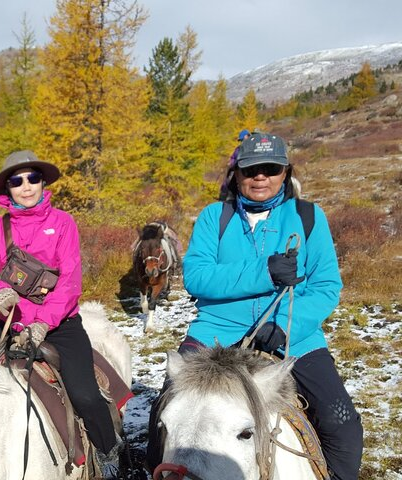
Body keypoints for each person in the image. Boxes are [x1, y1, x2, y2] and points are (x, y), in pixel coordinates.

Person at [147, 132, 363, 480]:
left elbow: (326, 286)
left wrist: (286, 324)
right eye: (250, 170)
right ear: (236, 175)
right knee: (164, 411)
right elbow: (197, 277)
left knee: (342, 423)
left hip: (295, 335)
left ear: (285, 173)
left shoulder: (308, 217)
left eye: (270, 168)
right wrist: (264, 272)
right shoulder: (213, 217)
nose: (260, 177)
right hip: (216, 332)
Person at [0, 150, 122, 477]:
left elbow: (69, 282)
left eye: (32, 178)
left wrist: (42, 323)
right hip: (9, 324)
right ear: (7, 188)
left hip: (60, 325)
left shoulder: (63, 223)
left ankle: (109, 453)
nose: (26, 186)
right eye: (17, 180)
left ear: (42, 181)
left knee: (85, 394)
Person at [218, 128, 251, 200]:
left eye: (242, 139)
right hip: (235, 168)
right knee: (228, 180)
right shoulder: (238, 149)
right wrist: (230, 163)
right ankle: (224, 197)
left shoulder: (252, 148)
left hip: (245, 170)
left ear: (248, 137)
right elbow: (233, 157)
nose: (242, 141)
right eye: (241, 140)